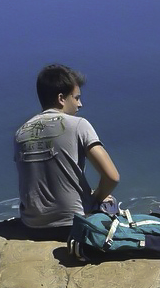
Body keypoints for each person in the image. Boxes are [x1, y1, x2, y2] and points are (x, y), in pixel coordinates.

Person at [14, 64, 119, 241]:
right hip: (72, 226)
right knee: (110, 202)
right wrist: (95, 198)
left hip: (32, 227)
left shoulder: (20, 133)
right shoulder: (78, 124)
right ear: (61, 98)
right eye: (76, 97)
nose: (80, 104)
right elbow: (112, 177)